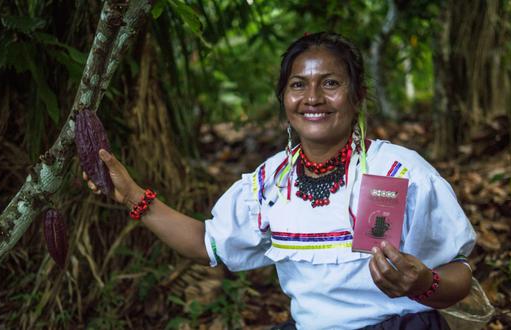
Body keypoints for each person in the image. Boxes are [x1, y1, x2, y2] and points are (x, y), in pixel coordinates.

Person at [83, 32, 476, 329]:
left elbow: (459, 273)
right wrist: (132, 194)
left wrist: (423, 282)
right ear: (284, 99)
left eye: (331, 83)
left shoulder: (400, 172)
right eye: (298, 84)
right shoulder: (270, 181)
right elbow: (208, 243)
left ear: (357, 96)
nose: (313, 97)